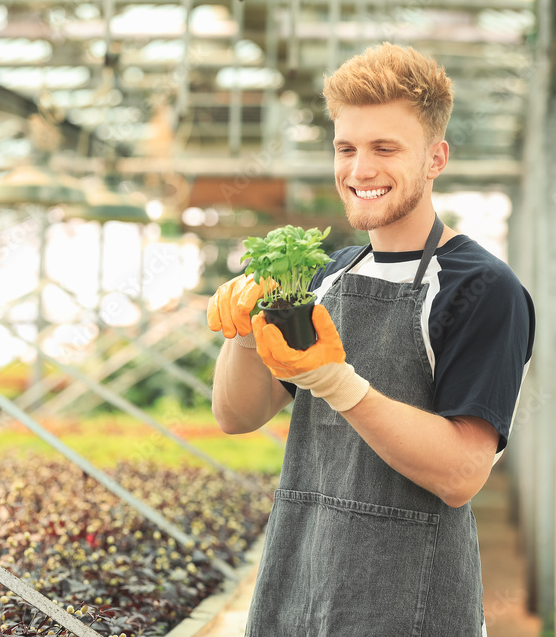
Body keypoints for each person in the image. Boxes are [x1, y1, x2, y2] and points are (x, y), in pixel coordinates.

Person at [206, 43, 535, 636]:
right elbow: (236, 415)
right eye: (346, 148)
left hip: (409, 603)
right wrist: (244, 335)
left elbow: (462, 473)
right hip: (299, 582)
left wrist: (339, 383)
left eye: (385, 148)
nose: (360, 170)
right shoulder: (326, 277)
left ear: (436, 158)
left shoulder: (480, 287)